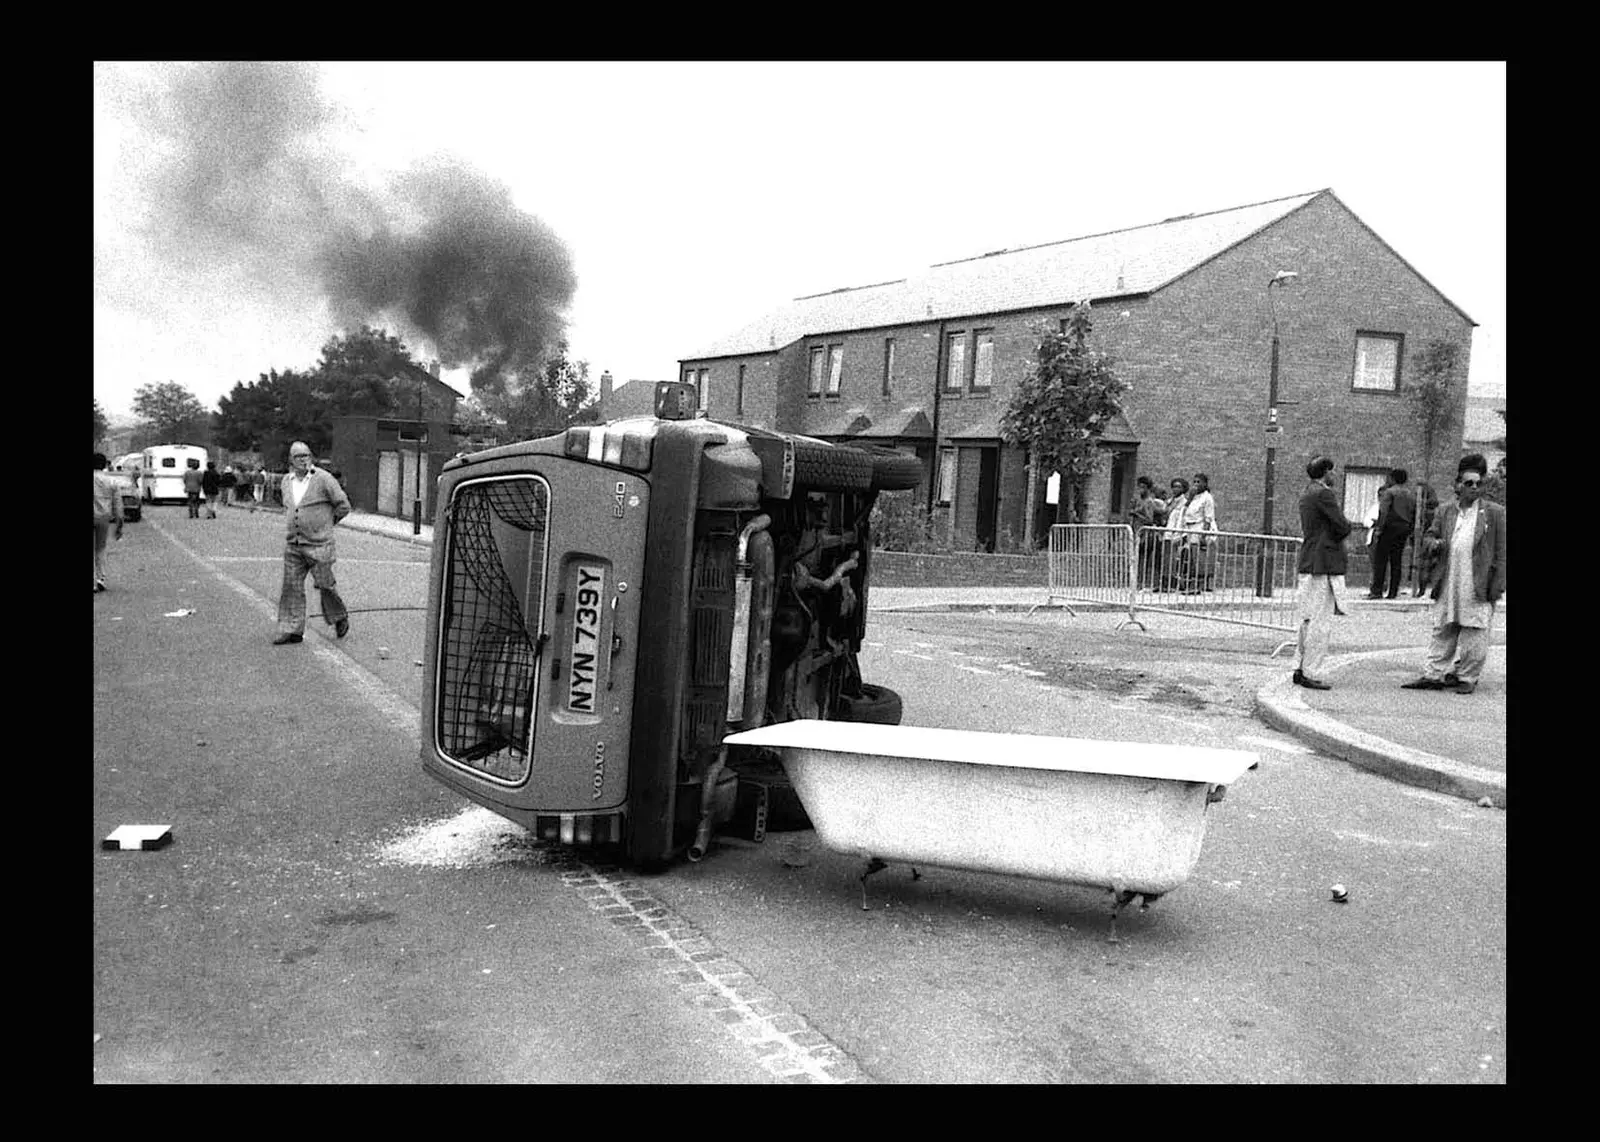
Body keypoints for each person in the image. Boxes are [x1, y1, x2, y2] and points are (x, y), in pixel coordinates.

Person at [1400, 454, 1506, 696]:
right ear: (1458, 485)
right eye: (1468, 483)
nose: (1474, 488)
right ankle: (1433, 674)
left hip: (1477, 582)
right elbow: (1428, 535)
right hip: (1449, 578)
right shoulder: (1445, 511)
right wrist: (1433, 543)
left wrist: (1497, 585)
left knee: (1475, 632)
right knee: (1443, 627)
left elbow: (1502, 552)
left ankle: (1467, 677)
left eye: (1478, 484)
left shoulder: (1495, 513)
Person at [274, 442, 353, 645]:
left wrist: (327, 524)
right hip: (294, 544)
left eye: (306, 455)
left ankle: (339, 616)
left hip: (320, 545)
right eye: (299, 456)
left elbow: (343, 505)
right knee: (291, 587)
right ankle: (292, 629)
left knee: (325, 585)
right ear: (291, 460)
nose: (303, 459)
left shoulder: (324, 479)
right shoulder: (286, 481)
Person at [1293, 455, 1351, 690]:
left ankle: (1300, 666)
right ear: (1325, 472)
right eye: (1332, 471)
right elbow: (1342, 525)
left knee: (1307, 619)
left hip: (1310, 559)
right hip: (1323, 561)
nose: (1334, 475)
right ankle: (1311, 670)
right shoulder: (1324, 494)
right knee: (1320, 621)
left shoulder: (1307, 493)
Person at [1367, 467, 1417, 600]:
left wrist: (1379, 529)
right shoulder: (1411, 495)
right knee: (1397, 560)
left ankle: (1377, 591)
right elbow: (1414, 514)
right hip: (1404, 528)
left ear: (1392, 478)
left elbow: (1383, 511)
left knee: (1381, 559)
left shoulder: (1389, 492)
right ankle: (1393, 592)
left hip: (1390, 526)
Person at [1176, 472, 1219, 592]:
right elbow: (1185, 511)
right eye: (1194, 482)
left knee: (1198, 558)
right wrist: (1189, 498)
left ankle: (1197, 585)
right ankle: (1188, 582)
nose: (1196, 484)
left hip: (1199, 529)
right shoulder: (1193, 497)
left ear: (1205, 484)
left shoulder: (1207, 498)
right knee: (1189, 558)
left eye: (1198, 482)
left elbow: (1208, 518)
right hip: (1190, 529)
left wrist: (1203, 535)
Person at [1127, 475, 1168, 589]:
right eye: (1139, 487)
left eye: (1143, 487)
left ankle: (1141, 583)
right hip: (1136, 531)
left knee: (1143, 559)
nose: (1141, 489)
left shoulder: (1149, 502)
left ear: (1148, 489)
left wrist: (1137, 513)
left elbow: (1149, 519)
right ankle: (1135, 582)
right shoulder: (1137, 500)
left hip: (1146, 534)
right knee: (1136, 558)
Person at [93, 452, 124, 594]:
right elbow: (118, 505)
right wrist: (119, 525)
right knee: (100, 548)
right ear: (105, 465)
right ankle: (100, 578)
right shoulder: (111, 481)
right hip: (103, 518)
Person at [1158, 477, 1189, 591]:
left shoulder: (1184, 503)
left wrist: (1180, 534)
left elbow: (1183, 520)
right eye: (1174, 486)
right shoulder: (1169, 502)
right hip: (1167, 533)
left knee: (1173, 559)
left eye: (1179, 487)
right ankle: (1164, 582)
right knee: (1165, 559)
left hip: (1177, 534)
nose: (1175, 489)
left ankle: (1173, 583)